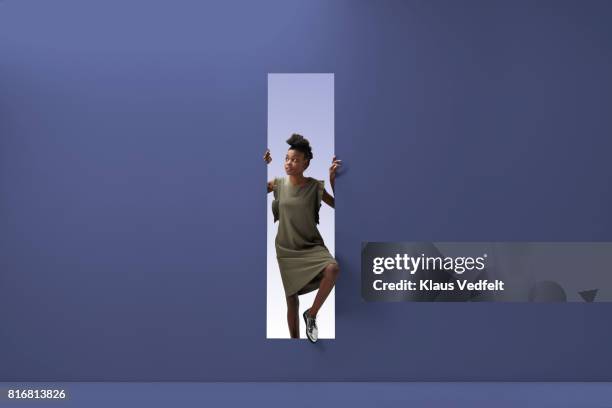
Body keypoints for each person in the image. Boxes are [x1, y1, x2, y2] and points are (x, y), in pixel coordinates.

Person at [264, 134, 341, 343]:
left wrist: (333, 181)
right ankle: (295, 344)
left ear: (305, 163)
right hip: (286, 249)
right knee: (291, 300)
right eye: (287, 158)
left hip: (311, 246)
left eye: (295, 159)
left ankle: (312, 314)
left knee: (332, 268)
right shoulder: (277, 184)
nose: (289, 163)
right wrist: (259, 165)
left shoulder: (315, 187)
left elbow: (340, 206)